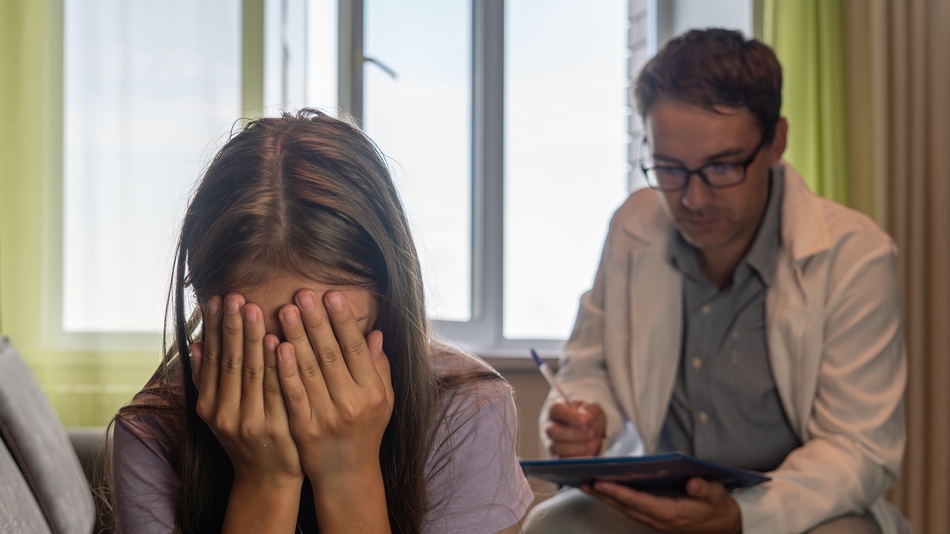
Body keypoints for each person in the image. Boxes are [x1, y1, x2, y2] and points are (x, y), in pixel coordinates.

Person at [524, 29, 908, 534]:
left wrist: (740, 515)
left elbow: (857, 448)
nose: (694, 200)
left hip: (798, 508)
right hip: (659, 498)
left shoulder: (855, 255)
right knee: (553, 525)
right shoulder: (633, 225)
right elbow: (590, 367)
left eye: (723, 166)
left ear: (776, 141)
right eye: (669, 168)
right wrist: (585, 417)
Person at [109, 109, 533, 533]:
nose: (298, 376)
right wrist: (265, 482)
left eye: (330, 339)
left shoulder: (465, 412)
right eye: (261, 345)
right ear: (207, 311)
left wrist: (348, 474)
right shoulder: (152, 433)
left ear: (388, 303)